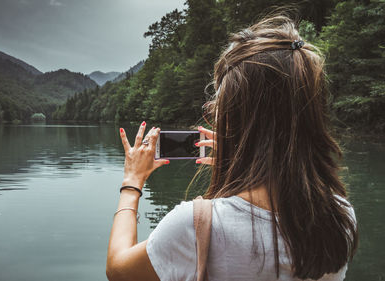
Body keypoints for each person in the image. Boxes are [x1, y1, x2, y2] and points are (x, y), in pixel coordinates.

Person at [106, 14, 358, 281]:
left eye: (217, 106)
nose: (212, 111)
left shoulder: (195, 226)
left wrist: (132, 182)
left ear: (234, 120)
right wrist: (238, 165)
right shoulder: (341, 216)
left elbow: (118, 270)